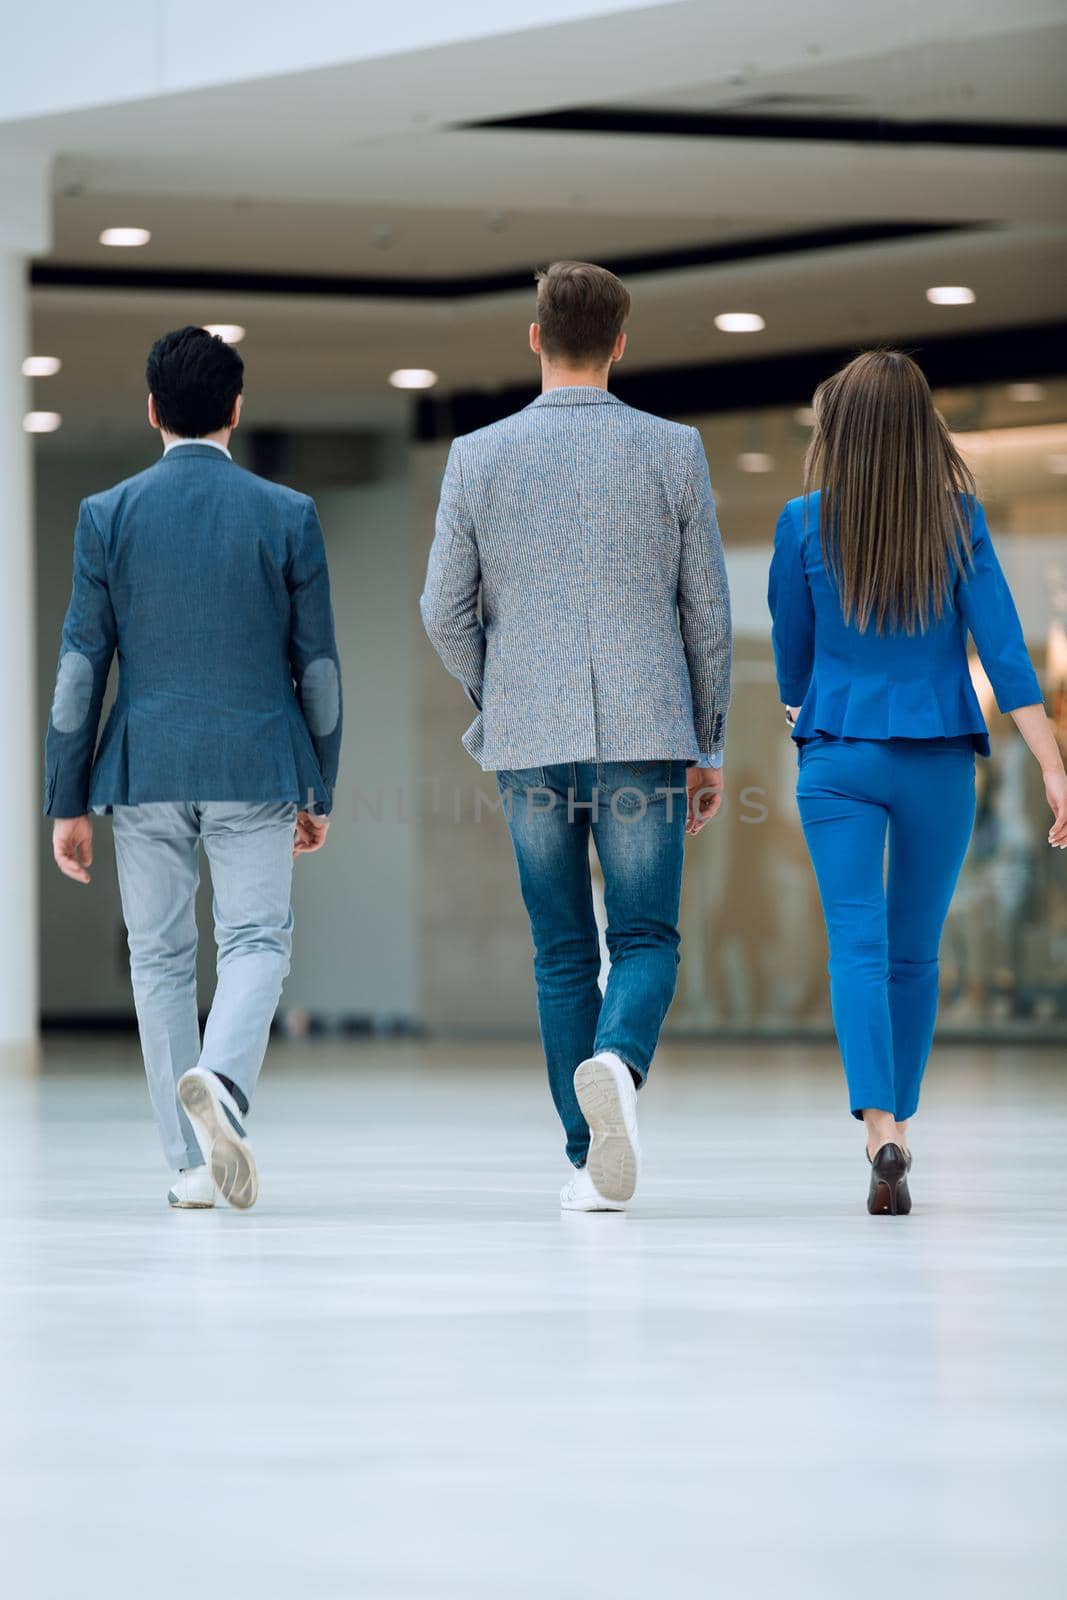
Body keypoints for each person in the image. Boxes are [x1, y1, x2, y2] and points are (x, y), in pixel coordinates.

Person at [421, 261, 732, 1212]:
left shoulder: (476, 455)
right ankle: (617, 1069)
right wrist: (707, 744)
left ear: (533, 337)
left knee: (562, 948)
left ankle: (582, 1157)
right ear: (621, 343)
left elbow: (442, 610)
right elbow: (708, 616)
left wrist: (497, 690)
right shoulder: (672, 450)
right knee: (644, 935)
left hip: (529, 733)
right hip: (645, 730)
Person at [44, 327, 342, 1211]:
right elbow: (318, 669)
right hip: (257, 763)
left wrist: (65, 798)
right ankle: (223, 1084)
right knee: (256, 944)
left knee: (160, 960)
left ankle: (189, 1165)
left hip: (142, 771)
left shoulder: (108, 514)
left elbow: (77, 671)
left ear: (151, 412)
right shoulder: (286, 514)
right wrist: (318, 784)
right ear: (235, 411)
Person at [768, 349, 1067, 1215]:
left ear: (841, 432)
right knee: (914, 953)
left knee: (855, 944)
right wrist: (1052, 764)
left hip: (837, 755)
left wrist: (804, 706)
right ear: (920, 431)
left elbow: (792, 652)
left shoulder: (800, 521)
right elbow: (1006, 653)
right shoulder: (958, 521)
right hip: (938, 755)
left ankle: (880, 1127)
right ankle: (901, 1116)